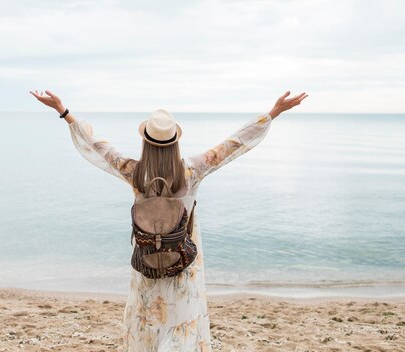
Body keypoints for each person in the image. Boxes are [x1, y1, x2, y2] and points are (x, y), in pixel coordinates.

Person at [30, 89, 308, 351]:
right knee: (181, 325)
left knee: (149, 322)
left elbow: (99, 147)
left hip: (148, 262)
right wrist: (273, 113)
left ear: (145, 142)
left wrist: (64, 111)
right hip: (183, 264)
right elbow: (234, 144)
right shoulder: (191, 171)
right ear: (176, 141)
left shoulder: (134, 173)